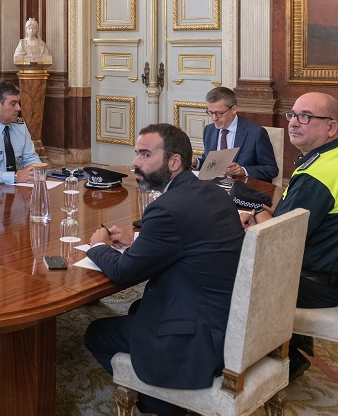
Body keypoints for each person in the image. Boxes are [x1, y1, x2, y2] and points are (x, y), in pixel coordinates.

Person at [84, 123, 244, 416]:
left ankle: (159, 402)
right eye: (136, 154)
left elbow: (123, 273)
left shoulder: (166, 208)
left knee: (96, 333)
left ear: (174, 161)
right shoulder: (213, 194)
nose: (135, 163)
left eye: (146, 155)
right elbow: (189, 241)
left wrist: (98, 248)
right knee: (137, 309)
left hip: (196, 340)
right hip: (227, 319)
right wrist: (138, 241)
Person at [244, 92, 338, 380]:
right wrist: (260, 212)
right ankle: (289, 342)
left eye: (306, 117)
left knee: (220, 272)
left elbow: (278, 242)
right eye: (293, 115)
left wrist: (248, 218)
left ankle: (278, 360)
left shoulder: (317, 176)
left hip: (313, 281)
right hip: (331, 269)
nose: (294, 123)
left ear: (331, 127)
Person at [193, 86, 279, 182]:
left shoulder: (256, 133)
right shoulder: (209, 130)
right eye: (210, 113)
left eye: (219, 113)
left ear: (233, 109)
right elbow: (210, 164)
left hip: (242, 190)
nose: (214, 118)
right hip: (214, 188)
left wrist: (243, 171)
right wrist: (196, 162)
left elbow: (271, 169)